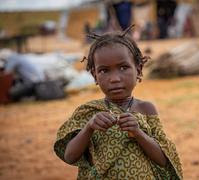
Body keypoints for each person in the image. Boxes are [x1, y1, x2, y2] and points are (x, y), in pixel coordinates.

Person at [53, 25, 183, 179]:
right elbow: (70, 156)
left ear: (139, 70)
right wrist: (89, 127)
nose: (114, 78)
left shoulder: (146, 109)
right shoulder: (88, 112)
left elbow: (163, 159)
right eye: (104, 71)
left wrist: (138, 132)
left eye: (123, 67)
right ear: (95, 76)